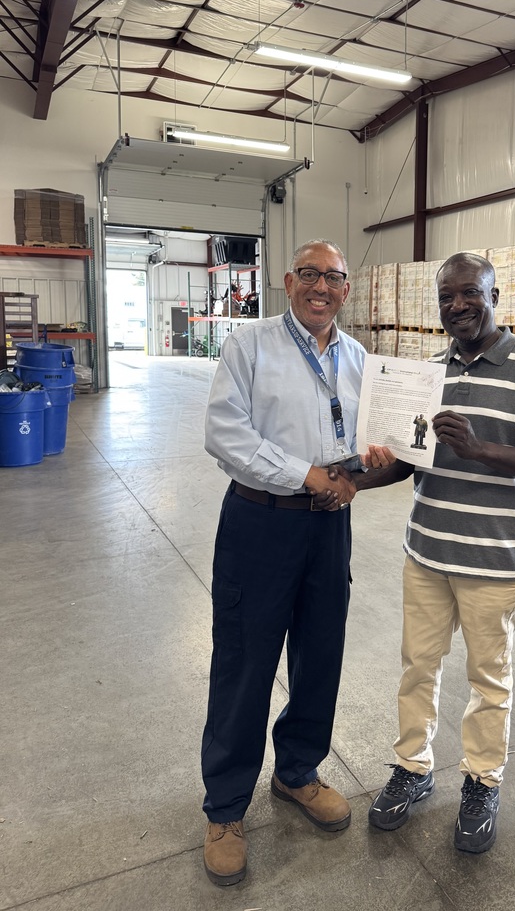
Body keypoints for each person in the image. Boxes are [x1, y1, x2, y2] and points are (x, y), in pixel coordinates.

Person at [357, 251, 515, 854]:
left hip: (497, 559)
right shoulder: (428, 374)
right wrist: (351, 480)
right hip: (427, 551)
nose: (458, 306)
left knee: (489, 679)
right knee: (417, 668)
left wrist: (480, 450)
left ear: (494, 294)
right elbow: (406, 460)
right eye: (447, 297)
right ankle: (413, 769)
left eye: (469, 294)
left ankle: (482, 782)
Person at [200, 239, 392, 886]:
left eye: (334, 278)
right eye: (310, 275)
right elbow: (225, 435)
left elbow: (367, 440)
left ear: (345, 290)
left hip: (328, 528)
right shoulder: (249, 346)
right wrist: (307, 474)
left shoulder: (360, 358)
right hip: (261, 522)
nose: (321, 287)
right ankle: (225, 807)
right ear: (289, 282)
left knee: (320, 656)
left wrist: (374, 466)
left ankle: (297, 771)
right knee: (245, 662)